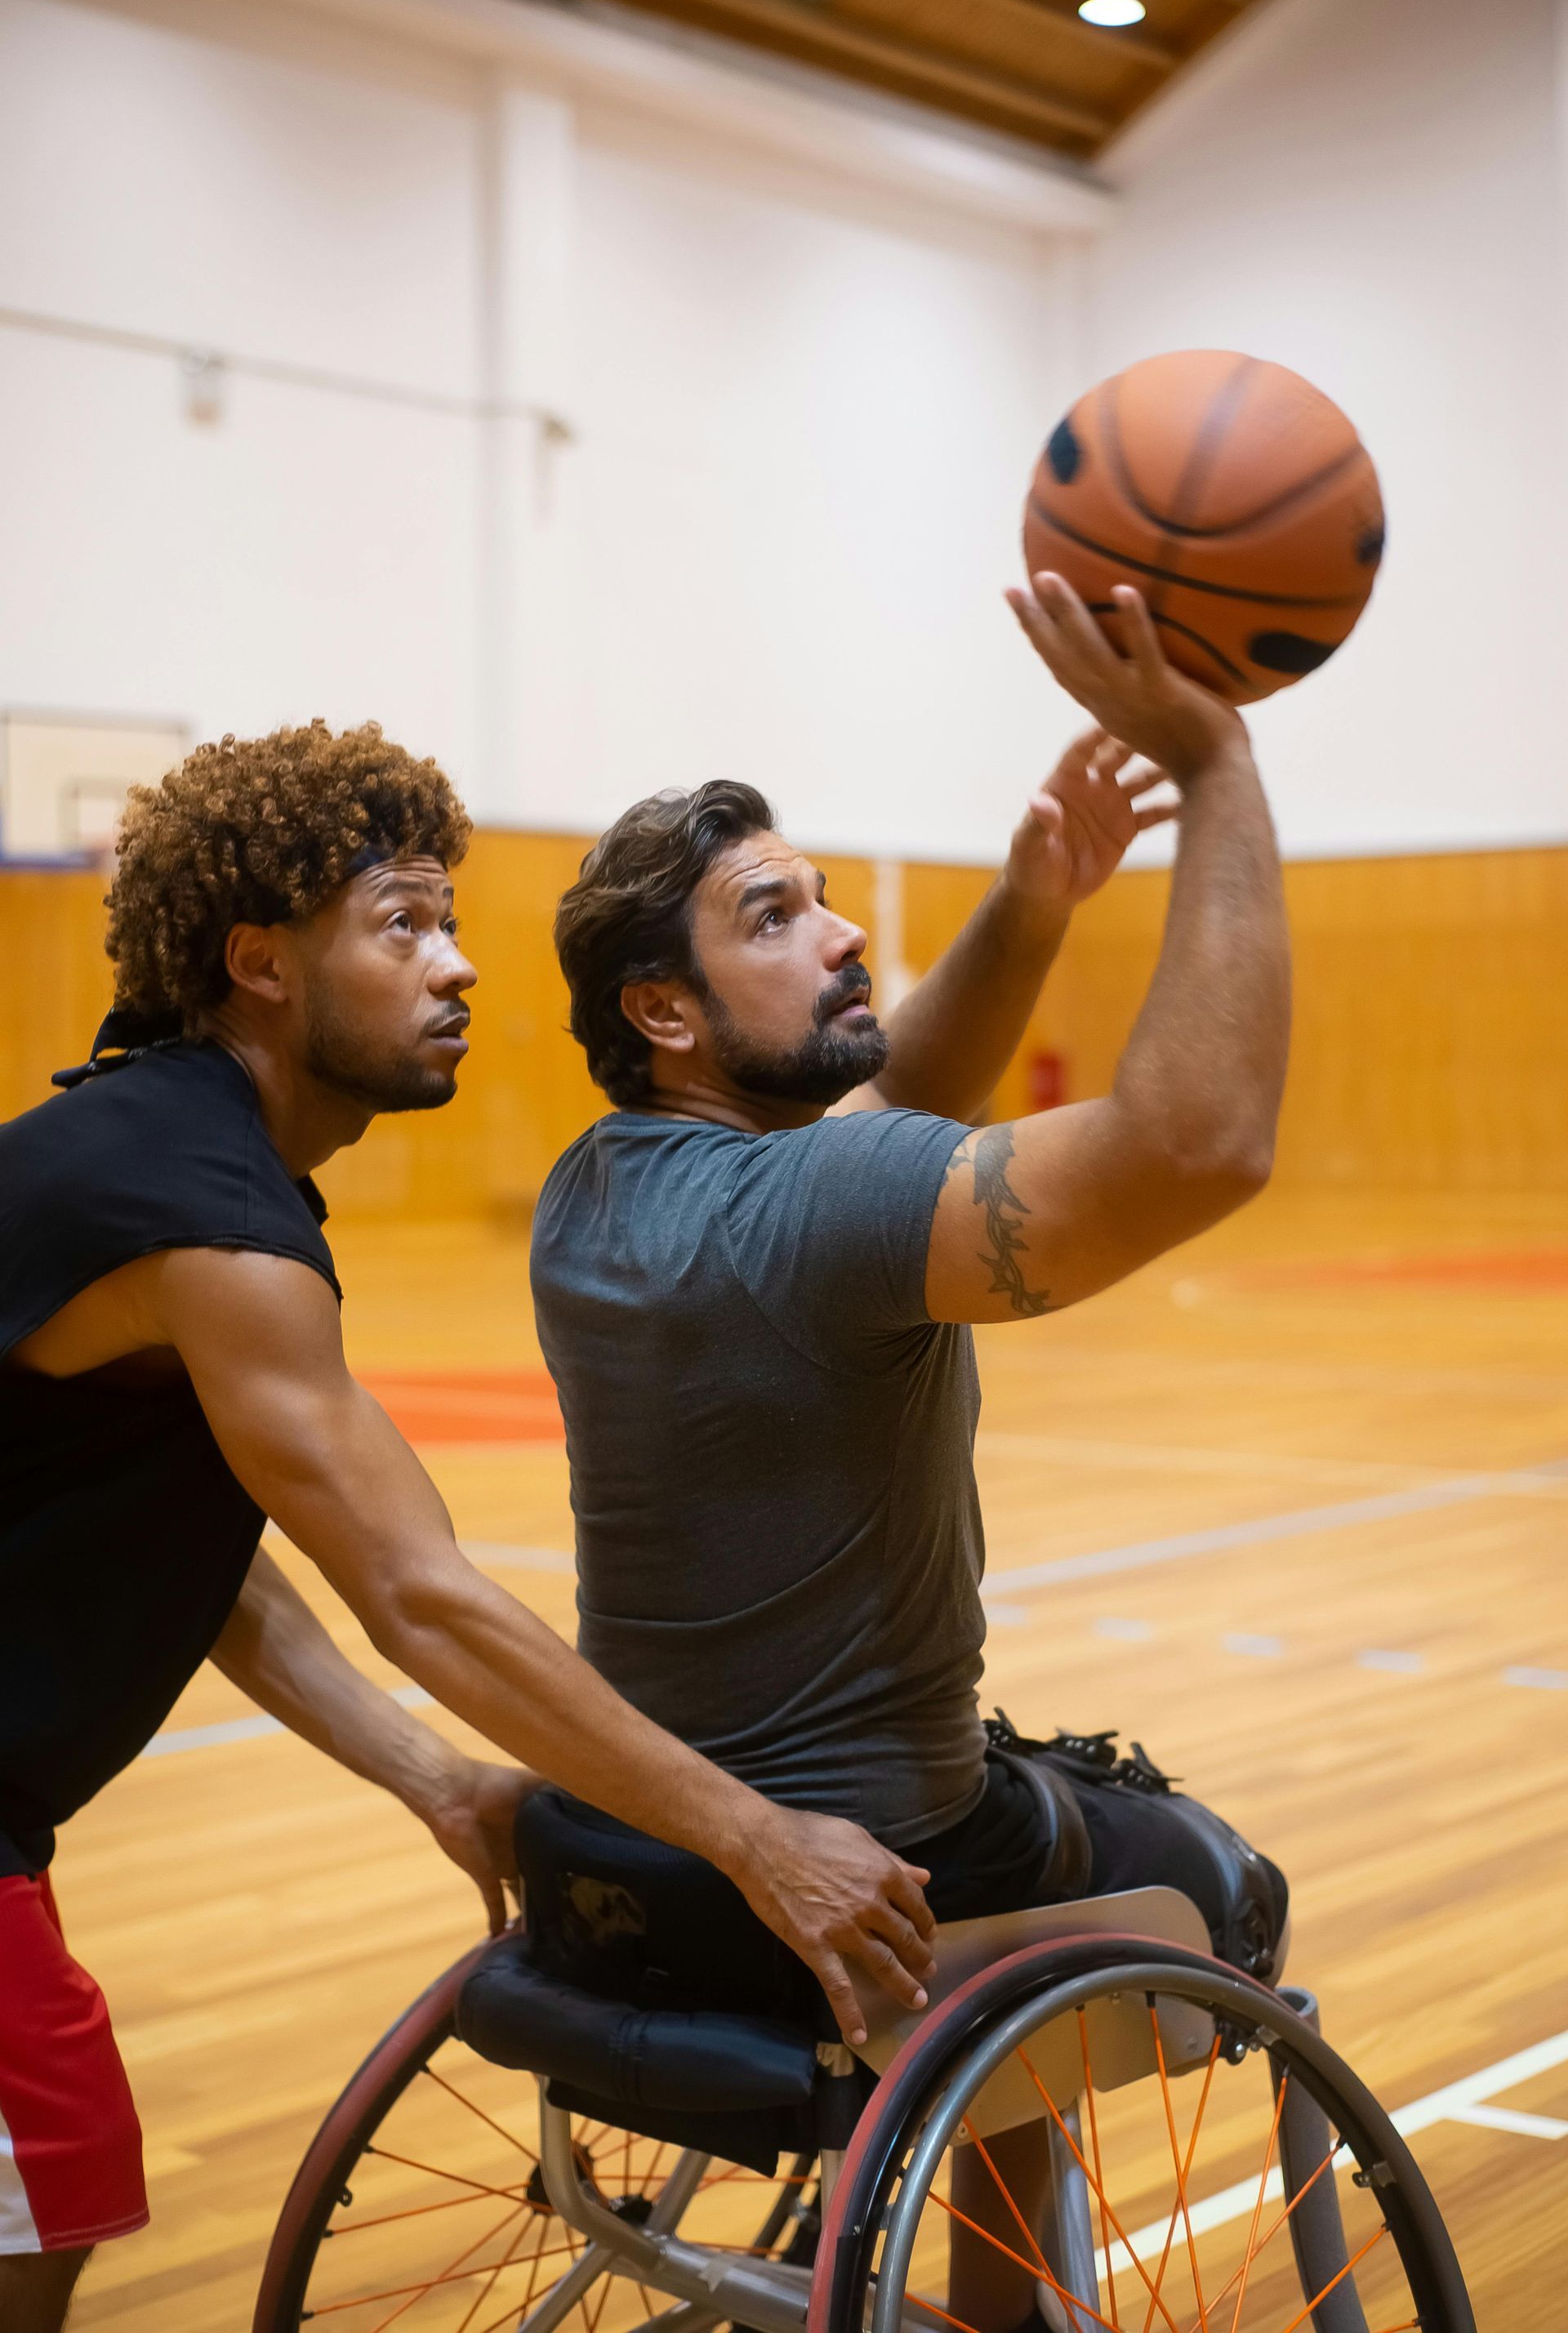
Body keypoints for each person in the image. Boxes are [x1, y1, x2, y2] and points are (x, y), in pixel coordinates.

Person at [0, 723, 935, 2333]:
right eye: (404, 925)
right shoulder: (210, 1223)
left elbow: (200, 1564)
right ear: (261, 964)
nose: (459, 967)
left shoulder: (149, 1147)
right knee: (48, 2196)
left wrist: (434, 1772)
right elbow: (419, 1595)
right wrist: (756, 1836)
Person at [532, 574, 1292, 2332]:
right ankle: (1005, 2305)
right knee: (1210, 1878)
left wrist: (1031, 906)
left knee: (1022, 1824)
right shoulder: (825, 1211)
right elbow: (1203, 1140)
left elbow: (879, 1114)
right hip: (862, 1865)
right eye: (775, 916)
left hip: (637, 1856)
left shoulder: (594, 1191)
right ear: (665, 1007)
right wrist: (1220, 763)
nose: (843, 935)